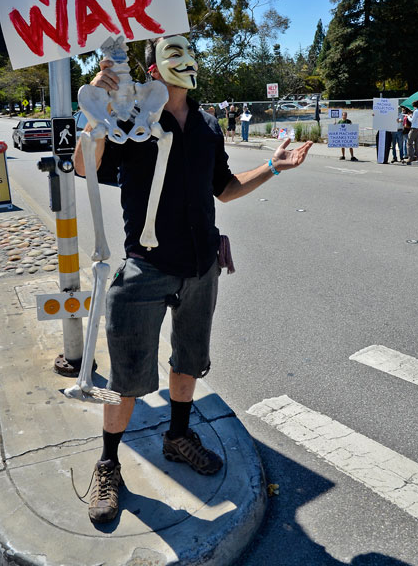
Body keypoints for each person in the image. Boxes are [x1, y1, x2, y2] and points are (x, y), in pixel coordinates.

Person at [73, 34, 312, 524]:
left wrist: (274, 166)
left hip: (201, 266)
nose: (187, 60)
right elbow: (83, 166)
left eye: (190, 51)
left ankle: (178, 436)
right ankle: (108, 464)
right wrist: (96, 106)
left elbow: (223, 189)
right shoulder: (131, 120)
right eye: (174, 52)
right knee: (127, 380)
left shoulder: (206, 124)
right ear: (153, 69)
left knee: (189, 361)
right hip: (146, 267)